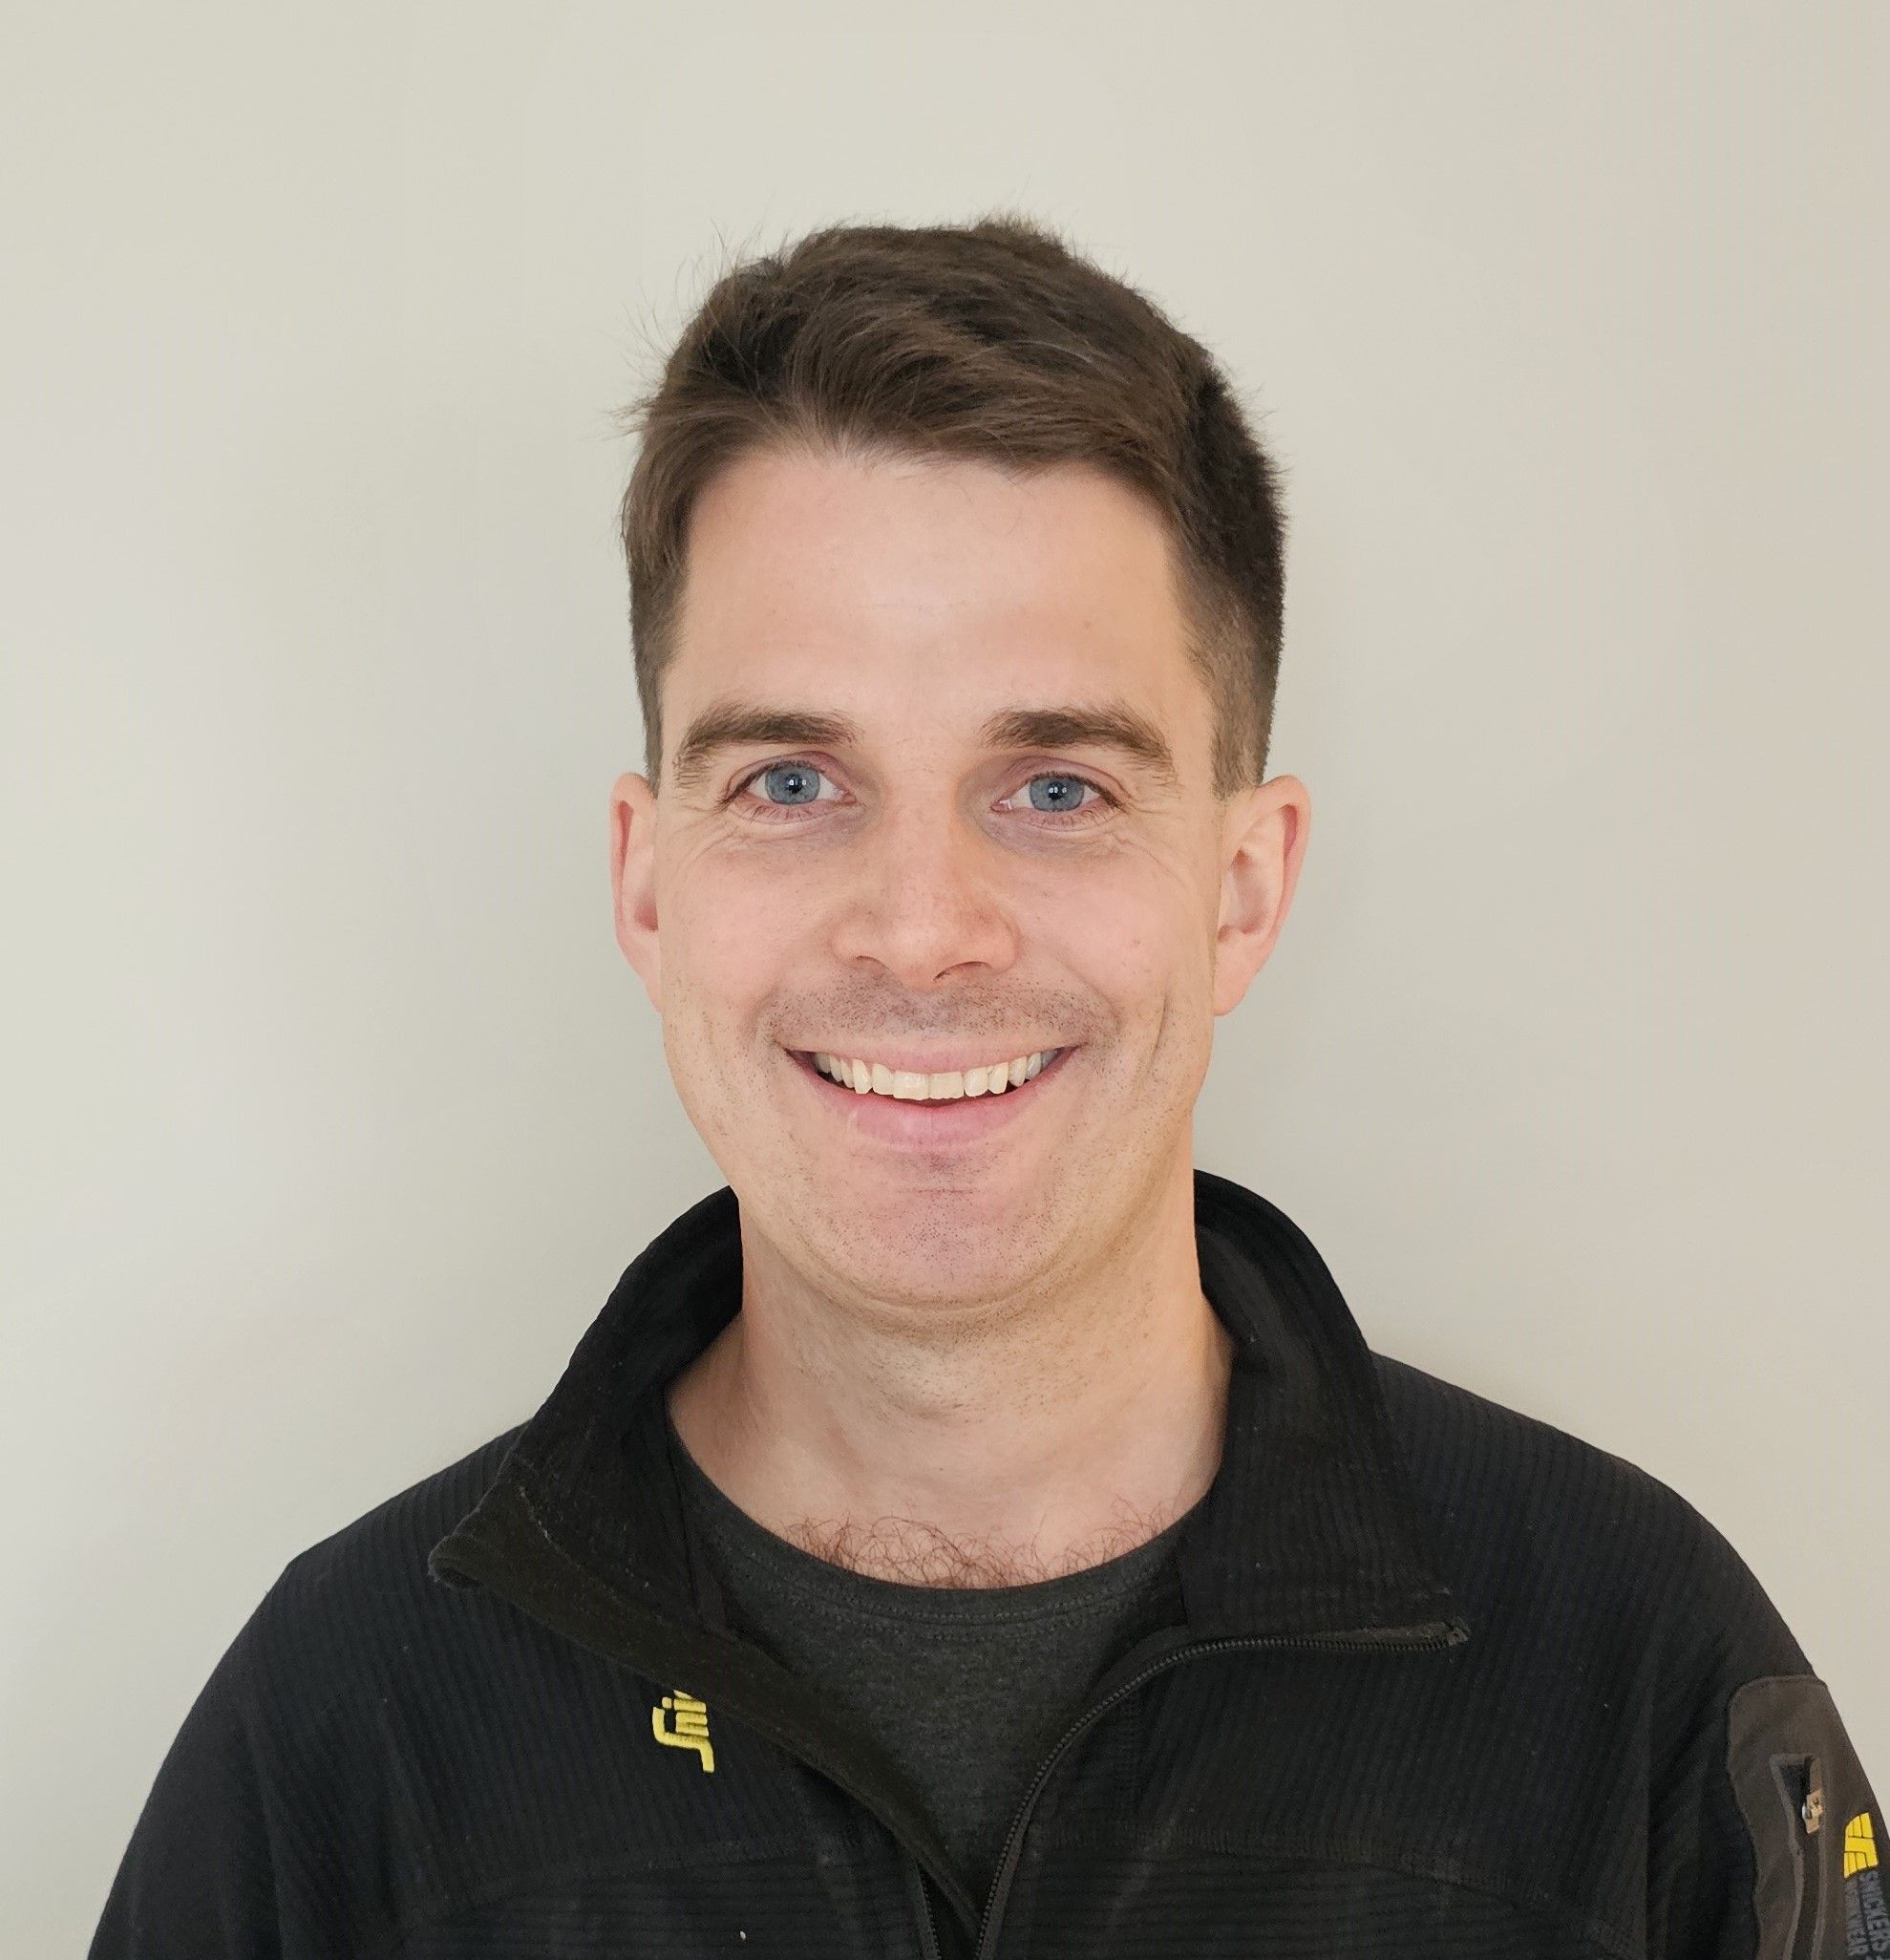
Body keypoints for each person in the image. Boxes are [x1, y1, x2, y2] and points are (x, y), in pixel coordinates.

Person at [92, 214, 1881, 1960]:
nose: (924, 930)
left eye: (1057, 790)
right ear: (649, 886)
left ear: (1242, 890)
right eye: (792, 783)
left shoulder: (1635, 1675)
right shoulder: (345, 1733)